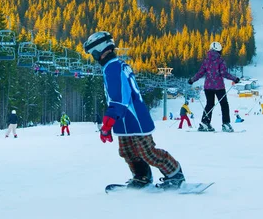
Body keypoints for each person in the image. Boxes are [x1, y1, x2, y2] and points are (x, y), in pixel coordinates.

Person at [84, 31, 185, 189]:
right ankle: (141, 176)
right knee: (127, 151)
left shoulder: (113, 68)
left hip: (134, 117)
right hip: (124, 119)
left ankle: (175, 174)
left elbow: (119, 99)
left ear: (99, 49)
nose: (94, 57)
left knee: (147, 152)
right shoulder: (116, 65)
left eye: (93, 53)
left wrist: (107, 124)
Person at [188, 41, 239, 132]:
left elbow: (200, 73)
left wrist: (192, 80)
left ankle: (205, 123)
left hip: (208, 87)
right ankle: (226, 124)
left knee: (209, 104)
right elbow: (224, 73)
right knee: (224, 105)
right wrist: (234, 78)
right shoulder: (220, 60)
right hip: (219, 87)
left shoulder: (206, 61)